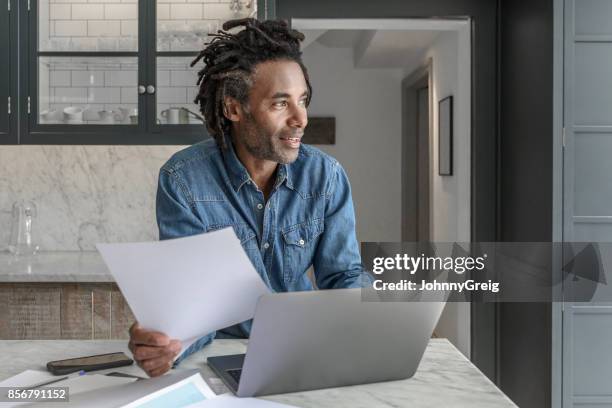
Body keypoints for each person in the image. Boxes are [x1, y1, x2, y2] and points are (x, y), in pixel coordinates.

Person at [128, 18, 371, 377]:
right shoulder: (184, 180)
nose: (300, 118)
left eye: (302, 100)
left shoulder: (326, 176)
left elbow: (342, 274)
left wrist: (376, 317)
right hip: (222, 355)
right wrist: (169, 342)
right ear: (234, 109)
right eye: (280, 104)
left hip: (304, 349)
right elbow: (195, 300)